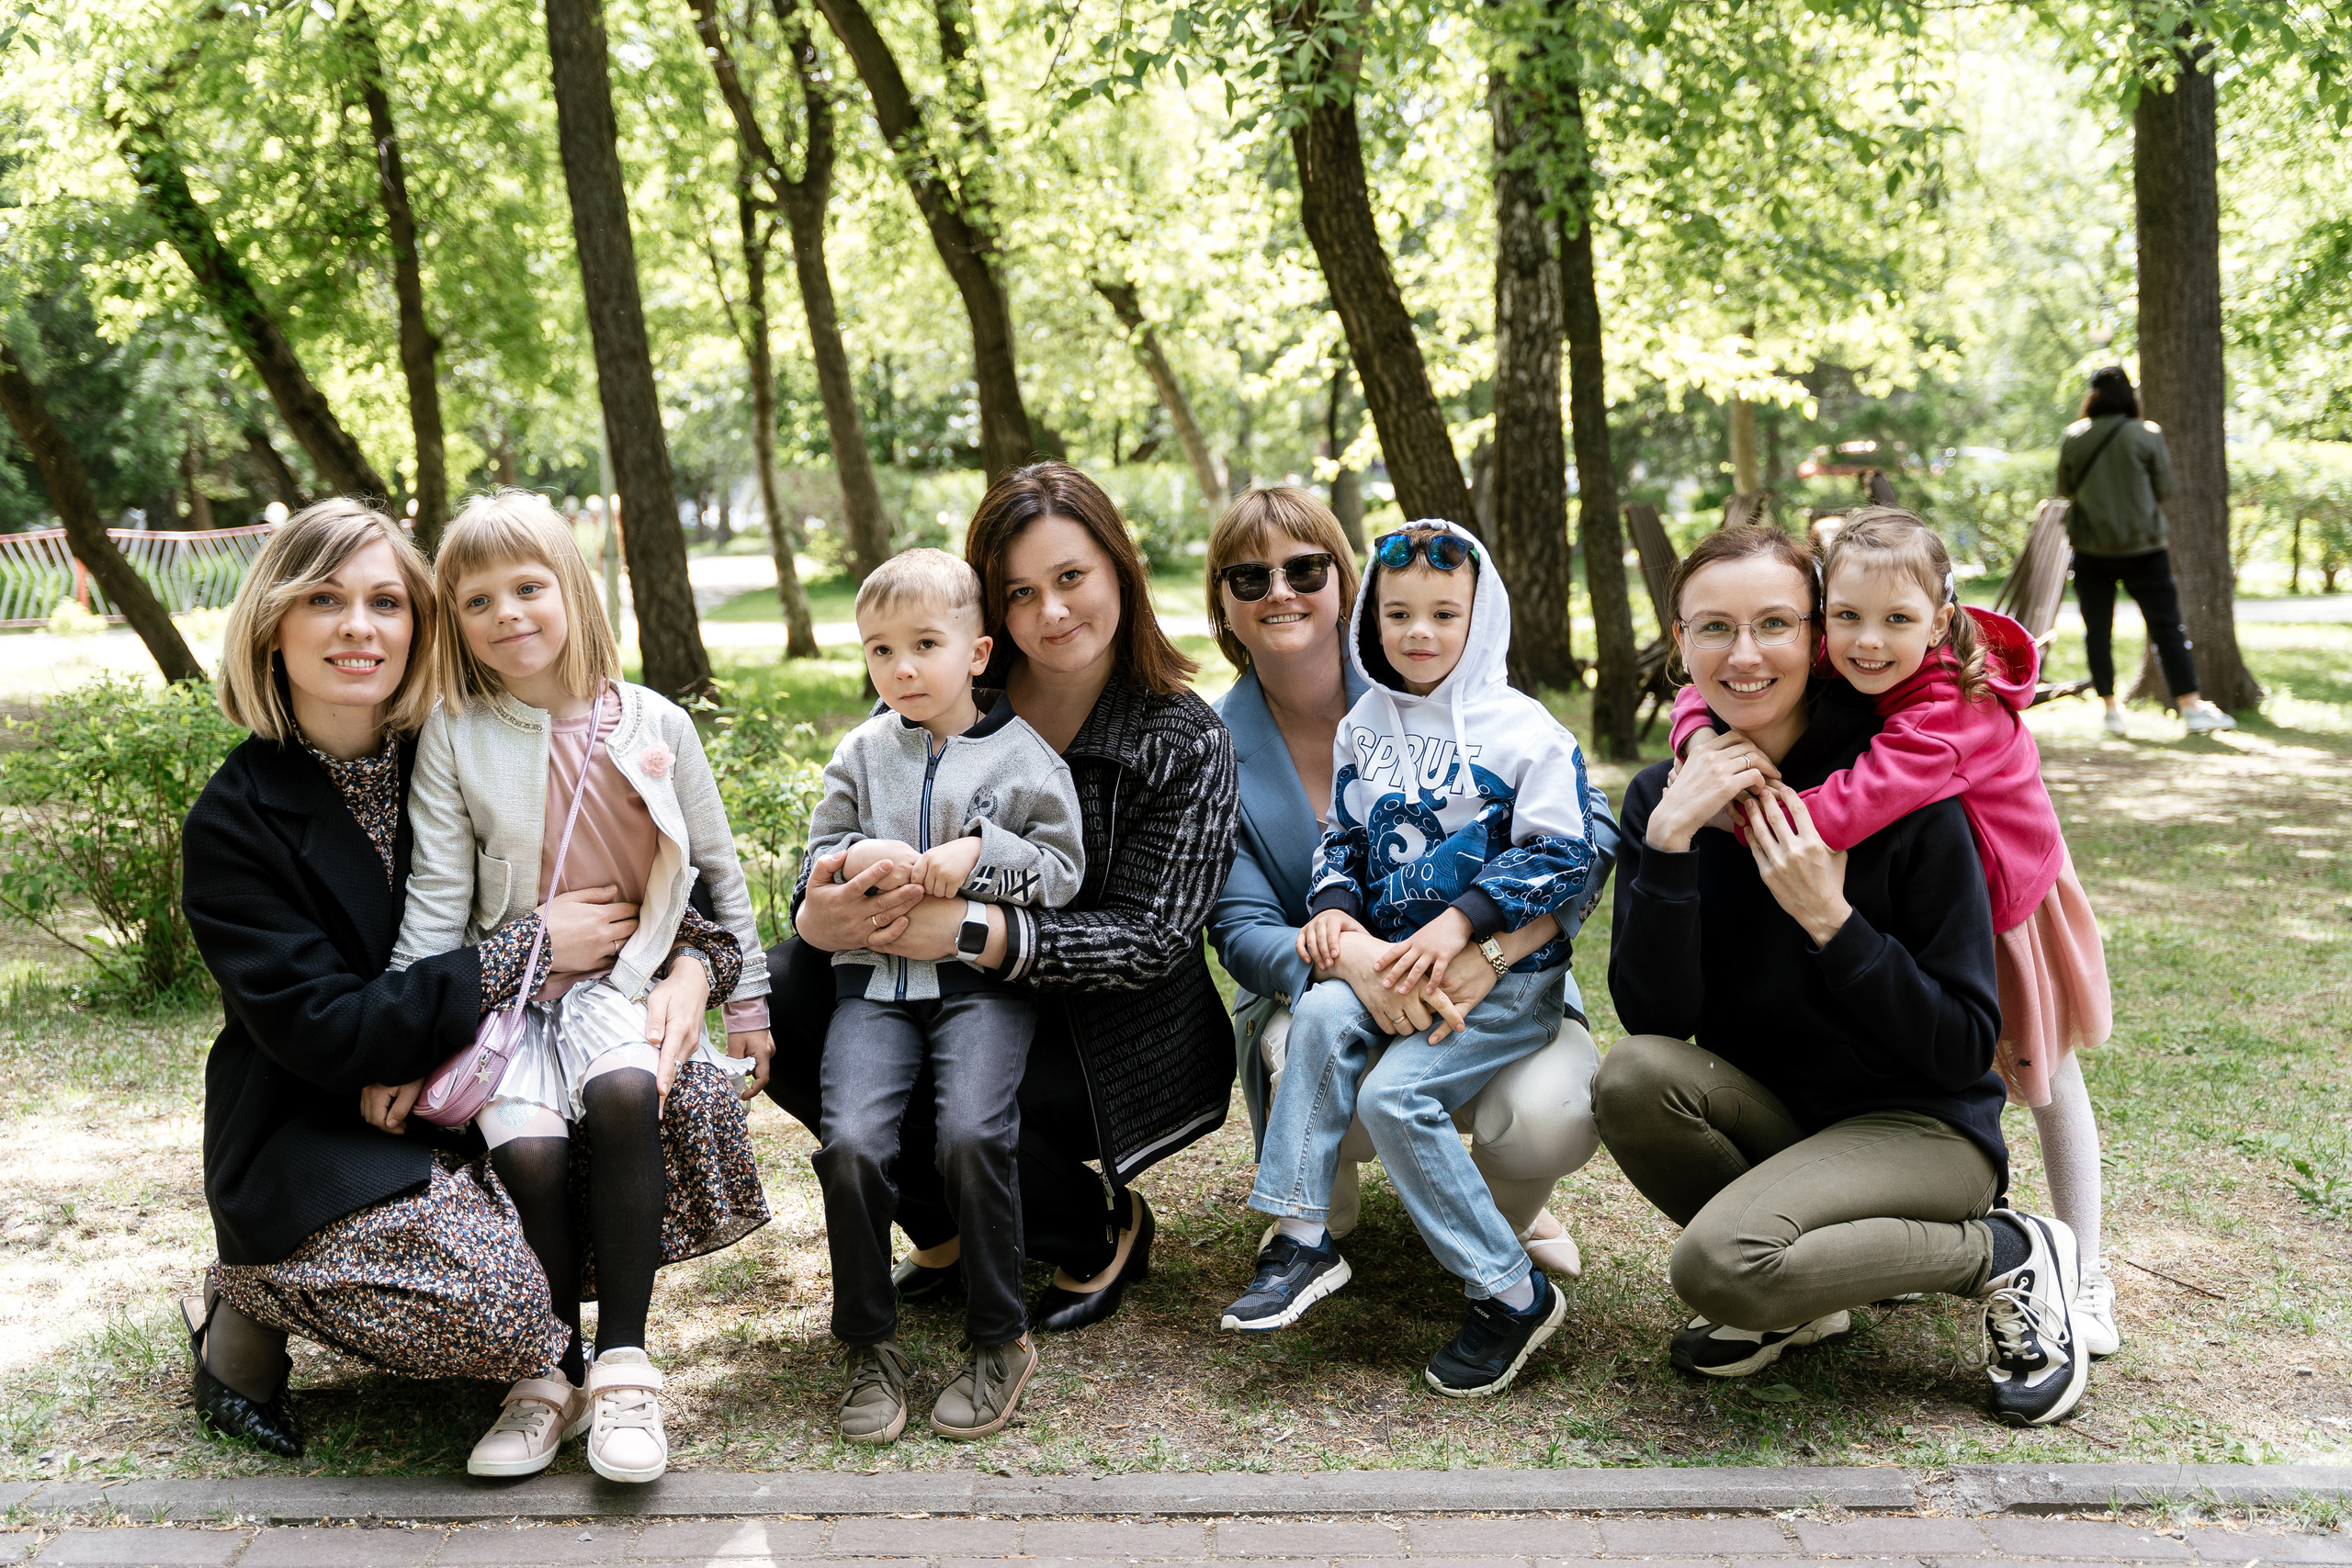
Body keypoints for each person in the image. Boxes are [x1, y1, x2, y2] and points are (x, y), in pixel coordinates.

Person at [180, 498, 670, 1460]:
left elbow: (626, 873)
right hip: (314, 1118)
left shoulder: (459, 749)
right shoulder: (236, 820)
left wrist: (695, 968)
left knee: (656, 1084)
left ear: (421, 624)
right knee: (506, 1312)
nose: (359, 628)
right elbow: (325, 1030)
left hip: (468, 1080)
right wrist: (519, 948)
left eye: (387, 602)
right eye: (325, 599)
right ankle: (247, 1294)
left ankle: (592, 1352)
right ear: (275, 625)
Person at [1600, 524, 2093, 1429]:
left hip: (1922, 1126)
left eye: (1774, 625)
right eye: (1713, 628)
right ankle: (1805, 1300)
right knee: (1630, 1079)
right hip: (1786, 1118)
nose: (1743, 655)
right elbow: (1656, 1017)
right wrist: (1669, 844)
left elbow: (1957, 1050)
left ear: (1816, 637)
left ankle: (2005, 1251)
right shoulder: (1666, 796)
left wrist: (1831, 920)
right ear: (1679, 643)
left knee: (1717, 1268)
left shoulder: (1904, 790)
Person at [763, 461, 1238, 1348]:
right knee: (791, 989)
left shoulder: (1181, 735)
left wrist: (977, 927)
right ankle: (938, 1226)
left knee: (971, 1077)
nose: (1051, 612)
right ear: (988, 617)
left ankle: (1095, 1229)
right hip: (936, 974)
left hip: (1107, 1023)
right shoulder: (935, 686)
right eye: (1020, 592)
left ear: (1119, 573)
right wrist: (816, 911)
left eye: (1071, 578)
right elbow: (846, 832)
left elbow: (1152, 938)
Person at [389, 490, 771, 1483]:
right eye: (477, 601)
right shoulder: (455, 733)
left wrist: (751, 1001)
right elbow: (437, 897)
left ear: (573, 589)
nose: (508, 614)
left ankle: (626, 1368)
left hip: (624, 974)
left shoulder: (652, 721)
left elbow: (719, 873)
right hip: (509, 994)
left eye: (528, 587)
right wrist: (401, 1033)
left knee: (625, 1092)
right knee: (533, 1154)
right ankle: (546, 1373)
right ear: (455, 623)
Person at [1222, 519, 1602, 1399]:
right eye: (1398, 614)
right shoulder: (1368, 723)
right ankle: (1303, 1236)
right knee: (1317, 1009)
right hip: (1389, 960)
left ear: (1484, 618)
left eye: (1443, 613)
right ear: (1372, 620)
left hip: (1500, 981)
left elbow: (1565, 851)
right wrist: (1331, 911)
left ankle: (1508, 1291)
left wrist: (1465, 925)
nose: (1420, 632)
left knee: (1397, 1097)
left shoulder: (1525, 731)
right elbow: (1345, 836)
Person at [806, 549, 1085, 1444]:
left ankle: (999, 1336)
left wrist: (978, 854)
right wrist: (850, 868)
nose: (902, 668)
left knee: (970, 1133)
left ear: (977, 652)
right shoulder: (859, 751)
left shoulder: (1025, 760)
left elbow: (1063, 871)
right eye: (880, 651)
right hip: (874, 989)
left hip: (978, 990)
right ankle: (868, 1343)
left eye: (925, 644)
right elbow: (814, 865)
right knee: (850, 1143)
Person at [2056, 366, 2235, 738]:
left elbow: (2065, 487)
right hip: (2144, 548)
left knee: (2098, 630)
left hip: (2092, 548)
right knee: (2167, 626)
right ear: (2129, 396)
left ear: (2092, 396)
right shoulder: (2146, 433)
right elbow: (2165, 486)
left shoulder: (2074, 437)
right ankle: (2189, 706)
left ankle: (2110, 709)